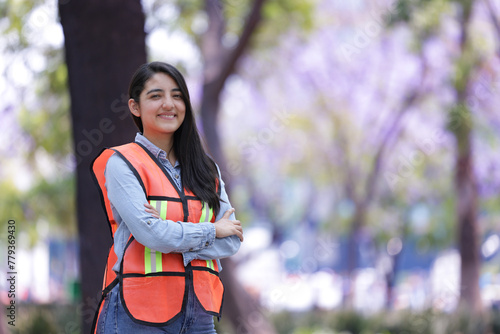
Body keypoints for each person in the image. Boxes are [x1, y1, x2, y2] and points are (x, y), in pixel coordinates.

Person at [90, 61, 243, 334]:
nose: (169, 104)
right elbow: (152, 235)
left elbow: (231, 240)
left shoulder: (207, 168)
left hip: (199, 314)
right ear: (135, 107)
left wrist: (172, 238)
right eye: (156, 96)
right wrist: (212, 231)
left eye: (177, 95)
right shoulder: (123, 163)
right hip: (136, 313)